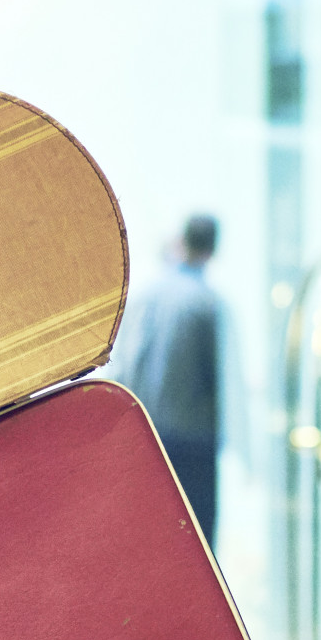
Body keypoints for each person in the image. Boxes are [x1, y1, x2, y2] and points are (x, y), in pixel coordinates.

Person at [115, 214, 223, 548]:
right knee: (196, 541)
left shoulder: (144, 296)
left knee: (152, 536)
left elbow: (123, 367)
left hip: (146, 435)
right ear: (212, 249)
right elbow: (216, 378)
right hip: (194, 439)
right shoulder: (207, 304)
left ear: (182, 241)